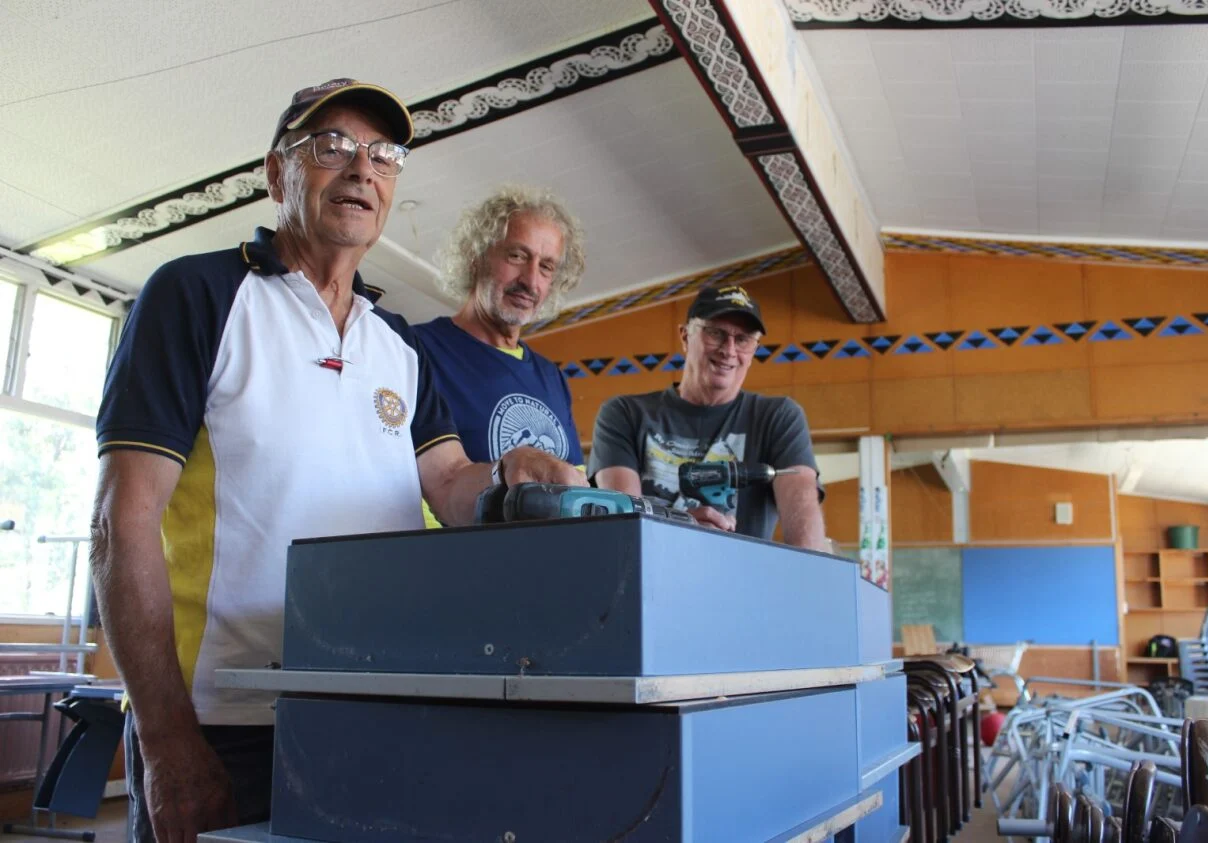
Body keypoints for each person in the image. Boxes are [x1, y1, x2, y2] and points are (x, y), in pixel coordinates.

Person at [88, 78, 580, 843]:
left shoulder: (400, 345)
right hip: (226, 720)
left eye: (383, 156)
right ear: (278, 171)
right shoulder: (198, 295)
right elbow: (122, 522)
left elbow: (450, 483)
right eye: (332, 147)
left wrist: (512, 469)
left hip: (374, 710)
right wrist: (167, 738)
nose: (361, 169)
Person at [589, 285, 826, 550]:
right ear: (685, 336)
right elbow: (623, 525)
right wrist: (682, 525)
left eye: (744, 339)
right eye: (716, 333)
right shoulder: (624, 413)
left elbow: (806, 527)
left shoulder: (779, 418)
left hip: (745, 585)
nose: (729, 350)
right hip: (651, 580)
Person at [413, 185, 586, 528]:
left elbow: (576, 488)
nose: (531, 280)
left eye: (547, 267)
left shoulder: (551, 375)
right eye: (517, 256)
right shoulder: (417, 349)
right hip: (449, 565)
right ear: (475, 256)